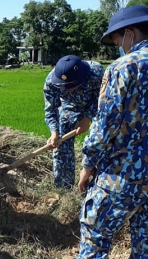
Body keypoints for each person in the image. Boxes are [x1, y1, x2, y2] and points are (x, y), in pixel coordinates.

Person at [77, 5, 148, 258]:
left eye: (118, 40)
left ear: (130, 33)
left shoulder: (123, 67)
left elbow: (105, 125)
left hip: (121, 176)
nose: (119, 45)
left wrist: (88, 164)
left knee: (94, 236)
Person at [43, 55, 104, 189]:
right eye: (64, 87)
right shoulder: (50, 82)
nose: (67, 89)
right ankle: (64, 188)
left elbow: (103, 98)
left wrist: (87, 119)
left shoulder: (97, 73)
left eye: (71, 86)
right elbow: (50, 110)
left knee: (101, 142)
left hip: (98, 108)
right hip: (69, 109)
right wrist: (54, 132)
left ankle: (97, 184)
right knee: (60, 147)